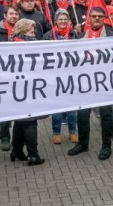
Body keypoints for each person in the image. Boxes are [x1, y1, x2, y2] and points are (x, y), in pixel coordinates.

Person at [67, 7, 113, 161]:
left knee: (106, 115)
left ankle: (106, 145)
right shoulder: (82, 36)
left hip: (105, 82)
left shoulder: (111, 36)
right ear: (89, 18)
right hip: (86, 81)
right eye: (93, 16)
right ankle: (83, 143)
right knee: (82, 114)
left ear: (104, 18)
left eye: (99, 16)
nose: (96, 19)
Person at [6, 19, 46, 165]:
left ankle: (16, 151)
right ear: (23, 32)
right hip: (26, 88)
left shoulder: (11, 43)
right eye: (31, 31)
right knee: (30, 121)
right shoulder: (25, 46)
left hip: (18, 88)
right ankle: (33, 154)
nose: (34, 34)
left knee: (19, 121)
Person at [42, 10, 80, 145]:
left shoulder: (74, 34)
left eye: (65, 19)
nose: (63, 21)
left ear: (69, 20)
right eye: (60, 19)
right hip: (54, 77)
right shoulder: (48, 36)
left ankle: (73, 132)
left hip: (71, 76)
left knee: (72, 107)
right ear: (55, 21)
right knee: (57, 108)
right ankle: (56, 133)